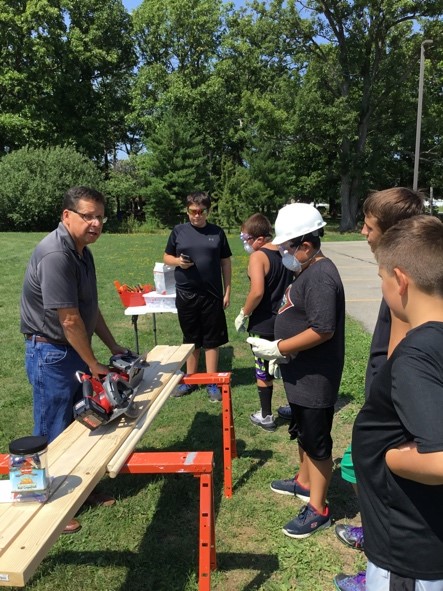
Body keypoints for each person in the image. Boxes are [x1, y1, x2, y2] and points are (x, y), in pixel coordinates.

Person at [21, 186, 128, 533]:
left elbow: (89, 310)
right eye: (88, 216)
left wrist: (113, 348)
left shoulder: (82, 251)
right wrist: (94, 363)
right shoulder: (56, 255)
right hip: (51, 352)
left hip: (70, 347)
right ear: (67, 216)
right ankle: (47, 506)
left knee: (80, 423)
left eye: (100, 216)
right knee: (52, 429)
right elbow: (68, 319)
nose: (96, 223)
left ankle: (81, 488)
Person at [334, 188, 424, 591]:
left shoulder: (402, 280)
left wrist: (382, 406)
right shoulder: (405, 271)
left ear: (387, 231)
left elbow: (399, 352)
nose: (364, 233)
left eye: (369, 227)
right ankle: (371, 537)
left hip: (394, 403)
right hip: (391, 396)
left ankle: (379, 568)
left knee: (384, 481)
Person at [350, 215, 443, 590]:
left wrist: (389, 456)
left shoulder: (415, 357)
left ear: (400, 280)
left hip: (409, 557)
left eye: (381, 278)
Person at [248, 202, 345, 538]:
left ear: (306, 245)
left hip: (315, 376)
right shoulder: (306, 270)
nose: (284, 253)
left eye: (288, 247)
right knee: (302, 430)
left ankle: (319, 508)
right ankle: (304, 482)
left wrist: (279, 347)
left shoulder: (320, 275)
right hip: (300, 372)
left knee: (317, 442)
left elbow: (322, 328)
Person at [164, 191, 232, 402]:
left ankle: (212, 382)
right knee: (191, 338)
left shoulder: (217, 232)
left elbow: (226, 262)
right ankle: (190, 379)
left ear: (207, 211)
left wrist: (227, 290)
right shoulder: (179, 231)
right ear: (187, 210)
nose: (197, 215)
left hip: (212, 294)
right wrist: (178, 262)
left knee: (212, 340)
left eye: (201, 211)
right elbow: (166, 257)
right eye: (193, 211)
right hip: (186, 293)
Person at [235, 213, 293, 430]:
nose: (246, 244)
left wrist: (244, 312)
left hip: (264, 321)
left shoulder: (258, 257)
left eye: (246, 239)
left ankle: (266, 415)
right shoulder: (286, 253)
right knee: (286, 364)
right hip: (287, 319)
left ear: (259, 239)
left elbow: (257, 291)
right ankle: (294, 408)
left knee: (263, 367)